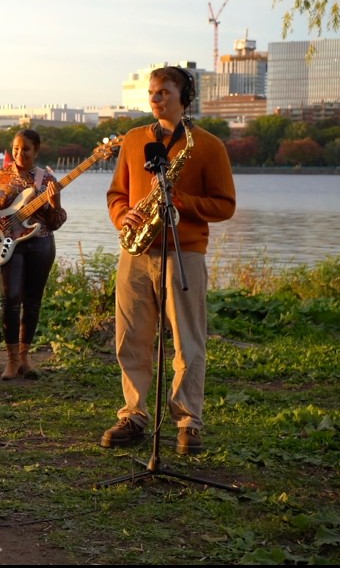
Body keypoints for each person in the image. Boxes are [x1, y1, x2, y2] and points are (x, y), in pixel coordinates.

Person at [102, 66, 235, 456]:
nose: (155, 99)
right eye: (152, 92)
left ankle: (188, 422)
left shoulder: (208, 145)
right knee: (131, 339)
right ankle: (134, 414)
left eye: (163, 93)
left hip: (184, 252)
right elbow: (116, 194)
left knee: (188, 343)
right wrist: (122, 214)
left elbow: (225, 205)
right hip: (136, 251)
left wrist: (182, 202)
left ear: (184, 97)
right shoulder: (132, 140)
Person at [0, 129, 67, 380]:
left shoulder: (47, 179)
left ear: (36, 150)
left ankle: (25, 358)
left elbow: (56, 221)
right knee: (10, 300)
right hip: (7, 243)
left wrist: (56, 203)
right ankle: (11, 359)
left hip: (40, 244)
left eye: (26, 149)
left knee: (33, 301)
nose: (20, 153)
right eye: (16, 148)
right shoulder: (0, 175)